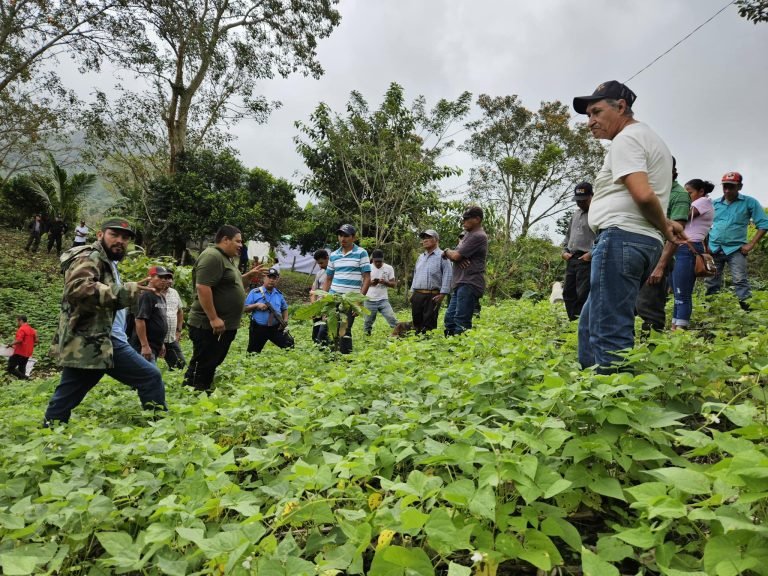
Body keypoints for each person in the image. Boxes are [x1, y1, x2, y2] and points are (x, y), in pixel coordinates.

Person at [572, 80, 684, 372]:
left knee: (609, 325)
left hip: (621, 237)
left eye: (596, 112)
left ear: (620, 107)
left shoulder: (627, 139)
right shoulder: (650, 137)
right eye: (587, 116)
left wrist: (663, 223)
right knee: (590, 318)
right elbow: (648, 196)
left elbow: (644, 195)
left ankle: (613, 396)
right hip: (639, 239)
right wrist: (666, 224)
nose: (590, 122)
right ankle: (589, 383)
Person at [43, 218, 167, 424]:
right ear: (100, 235)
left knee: (69, 393)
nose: (120, 240)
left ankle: (51, 430)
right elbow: (78, 289)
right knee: (150, 377)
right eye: (114, 235)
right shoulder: (89, 257)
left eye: (125, 238)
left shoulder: (108, 261)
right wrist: (127, 291)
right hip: (95, 339)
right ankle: (161, 428)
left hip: (98, 340)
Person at [183, 225, 263, 391]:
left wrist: (247, 277)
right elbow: (203, 287)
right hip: (207, 325)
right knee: (203, 362)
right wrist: (213, 318)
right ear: (225, 240)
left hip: (223, 325)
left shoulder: (226, 258)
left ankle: (201, 390)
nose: (241, 245)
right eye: (238, 241)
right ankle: (193, 391)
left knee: (212, 361)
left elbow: (229, 284)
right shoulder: (212, 256)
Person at [635, 156, 691, 332]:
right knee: (628, 304)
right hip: (638, 251)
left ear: (673, 171)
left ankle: (653, 351)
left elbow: (676, 233)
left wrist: (660, 266)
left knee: (649, 307)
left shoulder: (679, 195)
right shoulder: (651, 190)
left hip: (658, 255)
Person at [705, 172, 768, 310]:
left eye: (731, 187)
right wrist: (706, 246)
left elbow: (764, 224)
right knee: (711, 281)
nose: (727, 190)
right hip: (714, 249)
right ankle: (711, 311)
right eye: (725, 187)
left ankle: (747, 312)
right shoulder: (714, 203)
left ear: (739, 186)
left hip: (736, 249)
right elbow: (704, 225)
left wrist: (751, 244)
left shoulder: (749, 202)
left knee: (740, 280)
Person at [670, 179, 715, 329]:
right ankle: (674, 327)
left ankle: (681, 331)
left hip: (688, 248)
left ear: (701, 191)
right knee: (677, 293)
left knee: (682, 293)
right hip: (681, 247)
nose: (687, 197)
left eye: (689, 193)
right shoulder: (698, 202)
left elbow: (682, 216)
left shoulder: (703, 201)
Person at [322, 224, 371, 354]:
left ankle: (346, 361)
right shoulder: (333, 255)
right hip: (333, 298)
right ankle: (330, 356)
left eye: (346, 236)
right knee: (327, 328)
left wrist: (359, 301)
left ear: (353, 238)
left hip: (350, 300)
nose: (342, 238)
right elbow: (328, 278)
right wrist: (323, 298)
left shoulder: (361, 253)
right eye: (340, 235)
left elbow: (367, 278)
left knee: (345, 329)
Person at [442, 206, 488, 335]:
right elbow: (457, 255)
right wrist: (456, 256)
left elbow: (455, 255)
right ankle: (450, 350)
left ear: (477, 219)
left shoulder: (478, 236)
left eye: (467, 219)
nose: (463, 222)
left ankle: (461, 352)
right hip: (461, 283)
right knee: (449, 320)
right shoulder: (467, 235)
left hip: (469, 282)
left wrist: (447, 251)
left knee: (461, 321)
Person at [561, 182, 596, 321]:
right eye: (577, 200)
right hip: (572, 258)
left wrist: (591, 254)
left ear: (592, 197)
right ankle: (573, 322)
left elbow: (604, 237)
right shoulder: (576, 214)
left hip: (587, 259)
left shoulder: (598, 214)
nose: (579, 203)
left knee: (583, 294)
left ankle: (582, 325)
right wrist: (564, 251)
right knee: (568, 293)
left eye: (583, 200)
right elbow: (568, 236)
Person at [409, 229, 452, 333]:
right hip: (418, 294)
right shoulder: (420, 257)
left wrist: (443, 293)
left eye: (428, 237)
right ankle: (417, 345)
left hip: (432, 295)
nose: (425, 240)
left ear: (436, 240)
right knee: (416, 322)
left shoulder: (443, 256)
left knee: (429, 324)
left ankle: (428, 345)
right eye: (424, 238)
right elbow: (416, 274)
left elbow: (448, 274)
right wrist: (412, 292)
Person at [244, 267, 293, 353]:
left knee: (289, 344)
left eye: (274, 278)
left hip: (275, 327)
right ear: (264, 278)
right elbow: (245, 308)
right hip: (258, 328)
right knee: (253, 352)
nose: (272, 280)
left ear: (277, 280)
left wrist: (285, 320)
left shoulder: (279, 294)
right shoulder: (255, 292)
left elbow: (284, 308)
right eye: (269, 277)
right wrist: (256, 305)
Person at [130, 266, 172, 363]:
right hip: (144, 346)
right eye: (160, 277)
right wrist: (144, 346)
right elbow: (140, 320)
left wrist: (161, 343)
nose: (163, 280)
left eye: (165, 278)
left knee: (148, 375)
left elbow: (160, 320)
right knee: (150, 375)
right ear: (151, 278)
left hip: (155, 345)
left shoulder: (161, 296)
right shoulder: (146, 295)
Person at [363, 249, 398, 335]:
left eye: (380, 261)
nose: (378, 263)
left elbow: (393, 284)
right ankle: (366, 339)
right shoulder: (368, 267)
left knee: (392, 318)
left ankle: (399, 335)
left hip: (383, 299)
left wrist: (385, 282)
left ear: (383, 259)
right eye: (376, 261)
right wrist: (371, 283)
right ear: (373, 260)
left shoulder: (389, 268)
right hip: (369, 299)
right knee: (368, 322)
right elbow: (362, 284)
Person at [161, 274, 186, 370]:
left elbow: (179, 311)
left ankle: (173, 383)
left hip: (171, 337)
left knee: (180, 365)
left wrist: (178, 331)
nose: (170, 281)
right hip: (155, 339)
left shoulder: (174, 292)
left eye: (171, 278)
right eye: (166, 278)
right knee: (148, 368)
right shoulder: (151, 294)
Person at [6, 315, 38, 380]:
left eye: (17, 321)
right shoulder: (32, 329)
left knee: (10, 368)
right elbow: (36, 341)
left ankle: (26, 378)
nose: (17, 323)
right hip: (28, 352)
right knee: (22, 368)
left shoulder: (22, 329)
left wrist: (10, 344)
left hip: (20, 352)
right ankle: (22, 382)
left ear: (21, 320)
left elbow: (19, 340)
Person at [310, 249, 330, 345]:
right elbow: (313, 291)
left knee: (323, 333)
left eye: (322, 263)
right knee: (315, 335)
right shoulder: (320, 273)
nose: (320, 266)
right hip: (319, 306)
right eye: (318, 264)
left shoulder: (336, 273)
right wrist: (314, 307)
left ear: (327, 258)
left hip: (329, 306)